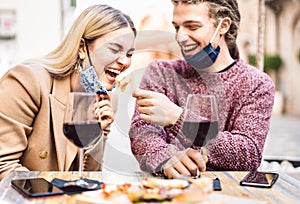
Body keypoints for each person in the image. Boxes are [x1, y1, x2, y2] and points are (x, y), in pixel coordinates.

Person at [129, 0, 275, 179]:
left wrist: (179, 118)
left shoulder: (257, 84)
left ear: (223, 26)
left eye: (192, 26)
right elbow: (142, 131)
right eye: (177, 27)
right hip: (166, 190)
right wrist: (164, 158)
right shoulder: (161, 71)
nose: (180, 36)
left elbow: (248, 154)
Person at [0, 4, 136, 180]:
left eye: (130, 53)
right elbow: (4, 166)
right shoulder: (27, 81)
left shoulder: (106, 99)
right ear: (82, 48)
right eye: (114, 49)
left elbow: (88, 178)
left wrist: (98, 134)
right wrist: (54, 194)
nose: (124, 61)